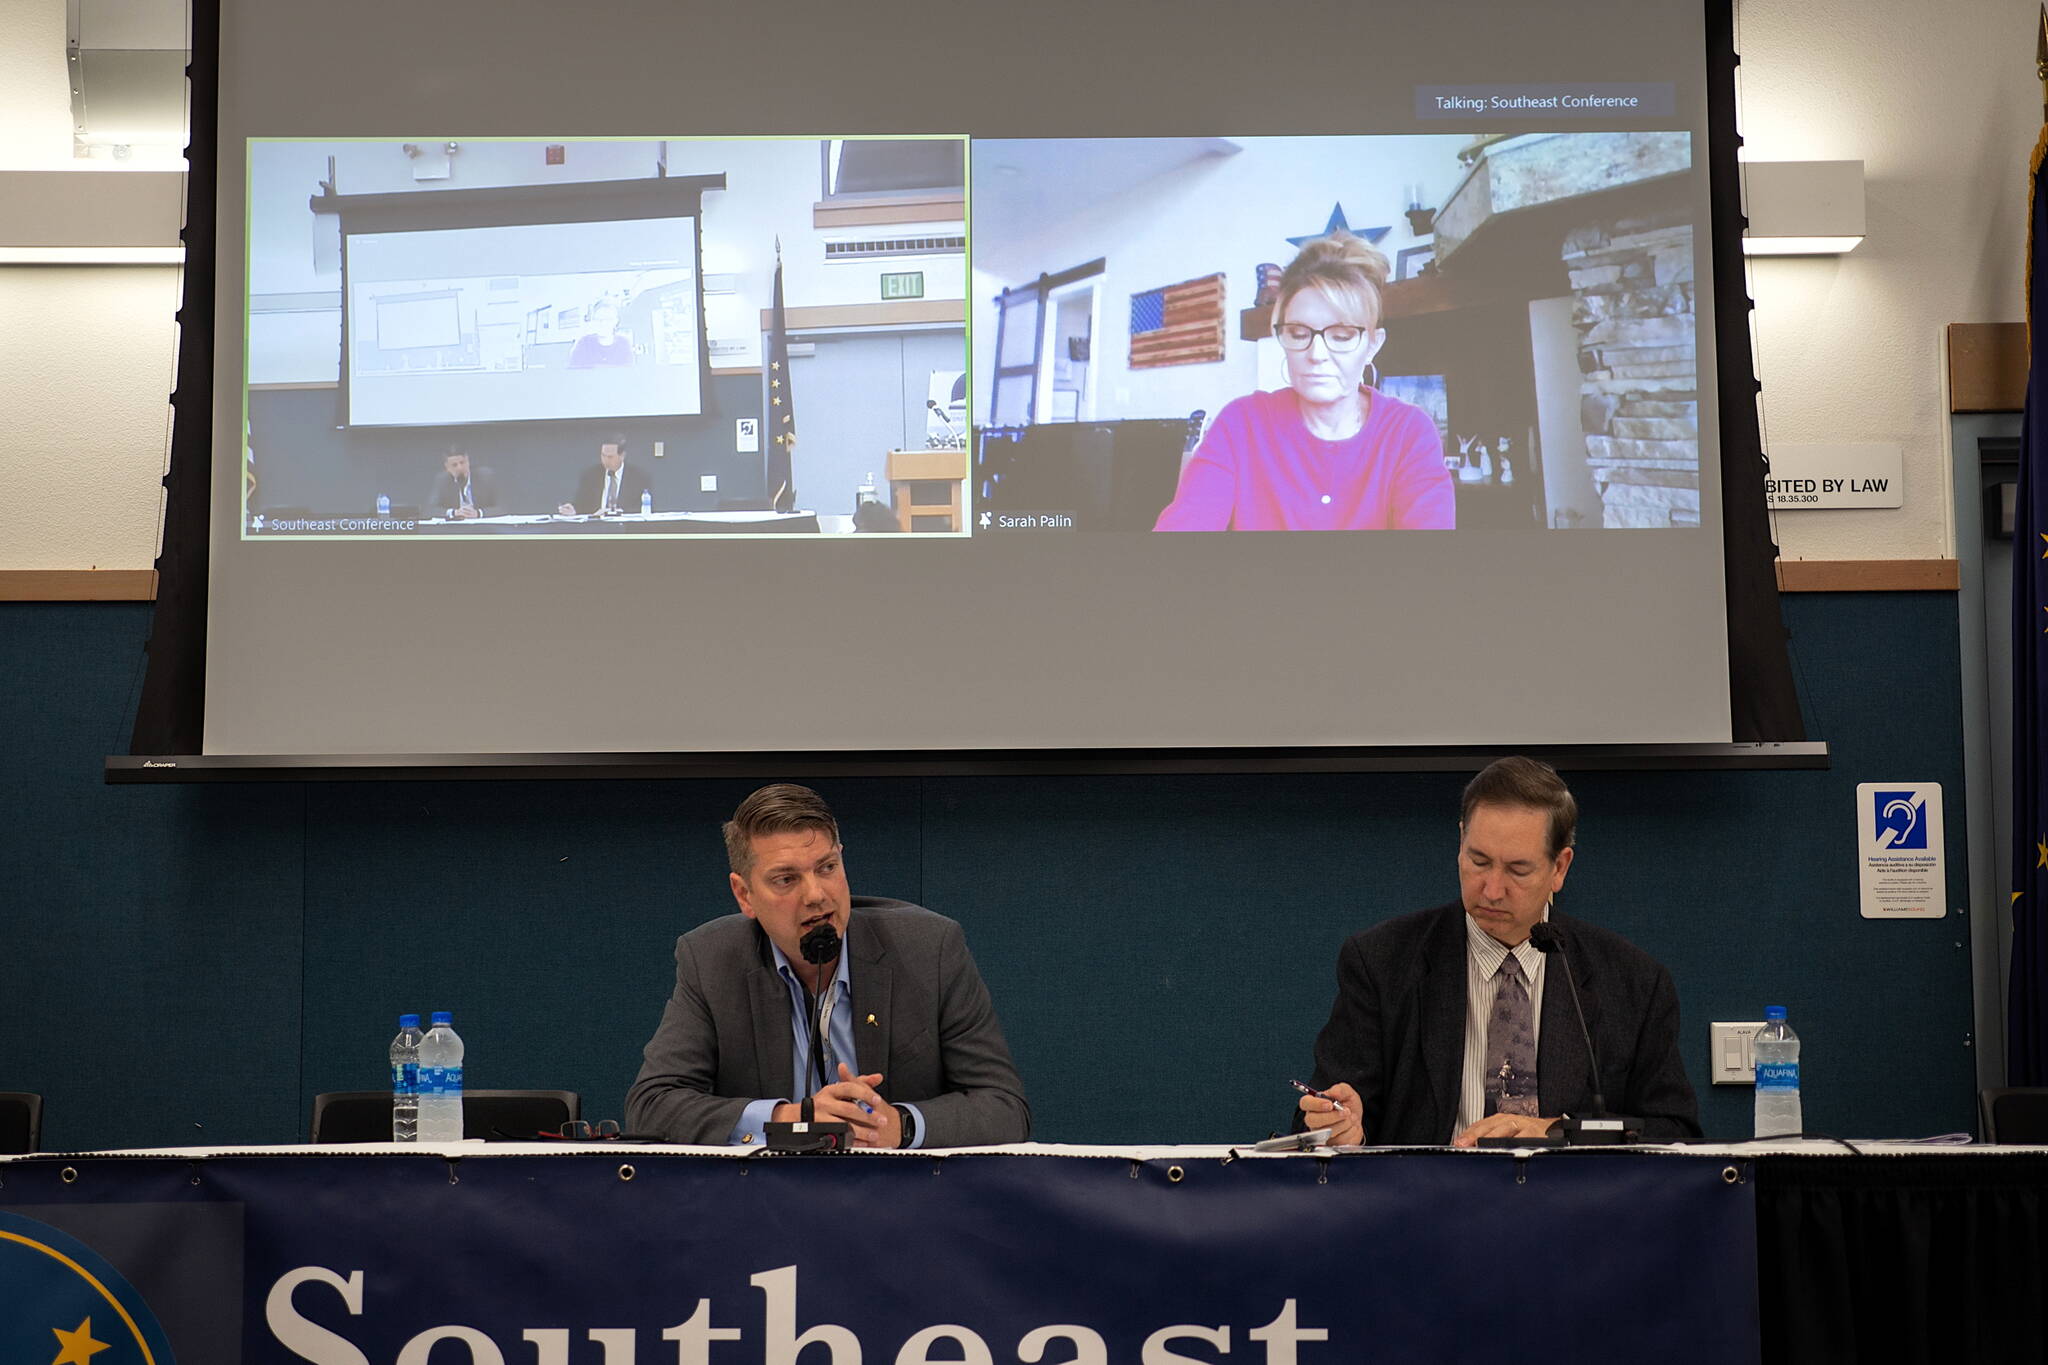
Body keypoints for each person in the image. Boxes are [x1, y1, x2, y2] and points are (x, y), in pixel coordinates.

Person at [1297, 756, 1700, 1146]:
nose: (1491, 890)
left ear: (1559, 867)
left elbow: (1675, 1130)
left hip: (1570, 1207)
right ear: (1460, 842)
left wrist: (1557, 1131)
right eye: (1478, 861)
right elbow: (1323, 1111)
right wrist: (1343, 1127)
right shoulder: (1382, 962)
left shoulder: (1632, 982)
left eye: (1517, 870)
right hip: (1427, 1204)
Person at [627, 784, 1031, 1147]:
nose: (817, 895)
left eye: (826, 868)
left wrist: (900, 1125)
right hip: (765, 1204)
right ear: (744, 894)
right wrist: (790, 1118)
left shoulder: (929, 950)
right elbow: (653, 1105)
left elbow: (1003, 1107)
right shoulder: (712, 959)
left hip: (902, 1202)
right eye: (786, 879)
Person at [1153, 231, 1454, 531]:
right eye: (1299, 333)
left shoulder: (1409, 432)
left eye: (1342, 336)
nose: (1317, 354)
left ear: (1373, 345)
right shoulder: (1240, 424)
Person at [558, 434, 653, 515]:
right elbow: (582, 505)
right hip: (597, 528)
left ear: (622, 456)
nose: (605, 460)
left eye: (610, 457)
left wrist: (619, 513)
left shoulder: (638, 477)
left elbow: (642, 509)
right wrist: (573, 510)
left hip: (625, 529)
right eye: (603, 455)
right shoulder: (590, 475)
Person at [424, 445, 501, 520]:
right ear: (447, 467)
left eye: (462, 462)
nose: (460, 468)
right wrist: (454, 513)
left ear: (468, 461)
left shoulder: (486, 476)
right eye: (454, 465)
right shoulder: (442, 480)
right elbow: (430, 509)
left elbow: (502, 508)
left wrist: (478, 513)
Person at [567, 298, 634, 368]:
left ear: (616, 321)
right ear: (593, 321)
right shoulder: (583, 343)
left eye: (608, 319)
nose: (603, 323)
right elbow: (573, 375)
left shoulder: (624, 344)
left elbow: (629, 374)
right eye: (598, 319)